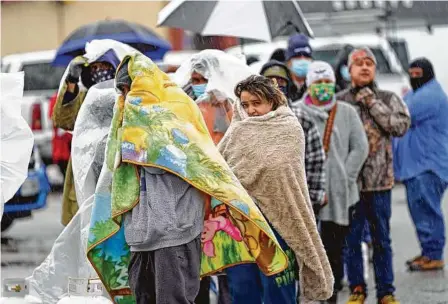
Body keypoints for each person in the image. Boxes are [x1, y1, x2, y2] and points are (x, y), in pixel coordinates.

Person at [87, 53, 291, 304]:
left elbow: (185, 163)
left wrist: (140, 140)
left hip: (175, 230)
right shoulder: (125, 122)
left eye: (131, 89)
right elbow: (113, 169)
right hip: (140, 234)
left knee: (175, 299)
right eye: (123, 92)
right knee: (143, 299)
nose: (127, 97)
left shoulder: (177, 110)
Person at [219, 75, 334, 304]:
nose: (250, 110)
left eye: (256, 103)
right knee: (242, 289)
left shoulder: (288, 128)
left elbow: (281, 172)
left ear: (272, 101)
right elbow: (220, 171)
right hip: (240, 223)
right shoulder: (236, 132)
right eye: (245, 104)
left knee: (278, 289)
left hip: (279, 223)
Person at [174, 49, 253, 304]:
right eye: (195, 80)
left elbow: (240, 141)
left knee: (229, 256)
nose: (199, 85)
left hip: (225, 193)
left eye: (203, 79)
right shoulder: (182, 106)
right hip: (195, 194)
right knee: (199, 264)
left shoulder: (227, 104)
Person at [337, 47, 410, 304]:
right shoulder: (340, 101)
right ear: (349, 70)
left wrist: (371, 102)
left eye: (370, 63)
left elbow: (399, 126)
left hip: (380, 184)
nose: (365, 67)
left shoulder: (388, 98)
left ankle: (386, 292)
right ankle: (357, 289)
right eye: (359, 64)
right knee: (351, 239)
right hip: (350, 185)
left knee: (382, 240)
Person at [296, 61, 369, 303]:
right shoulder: (296, 112)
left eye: (327, 82)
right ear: (309, 85)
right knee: (307, 251)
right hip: (305, 194)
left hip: (340, 195)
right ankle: (309, 292)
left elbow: (360, 148)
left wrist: (345, 180)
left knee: (334, 249)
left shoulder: (347, 112)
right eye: (318, 83)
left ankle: (332, 294)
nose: (323, 87)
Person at [52, 41, 121, 226]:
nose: (99, 71)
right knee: (87, 226)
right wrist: (72, 81)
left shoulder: (124, 96)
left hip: (115, 169)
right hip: (86, 169)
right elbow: (62, 120)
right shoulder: (84, 97)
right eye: (95, 67)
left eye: (105, 66)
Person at [394, 58, 448, 271]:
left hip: (428, 166)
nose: (415, 77)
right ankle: (428, 252)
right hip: (420, 166)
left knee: (427, 210)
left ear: (428, 74)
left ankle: (434, 254)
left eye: (419, 74)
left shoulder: (429, 96)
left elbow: (400, 113)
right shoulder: (419, 93)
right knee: (421, 211)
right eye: (412, 73)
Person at [260, 60, 326, 217]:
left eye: (281, 81)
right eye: (270, 81)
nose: (276, 85)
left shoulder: (301, 118)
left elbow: (315, 159)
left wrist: (312, 198)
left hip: (299, 202)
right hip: (264, 205)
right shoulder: (251, 118)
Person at [286, 33, 313, 101]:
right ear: (289, 62)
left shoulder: (317, 84)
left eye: (306, 56)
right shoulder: (282, 85)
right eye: (297, 56)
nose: (302, 59)